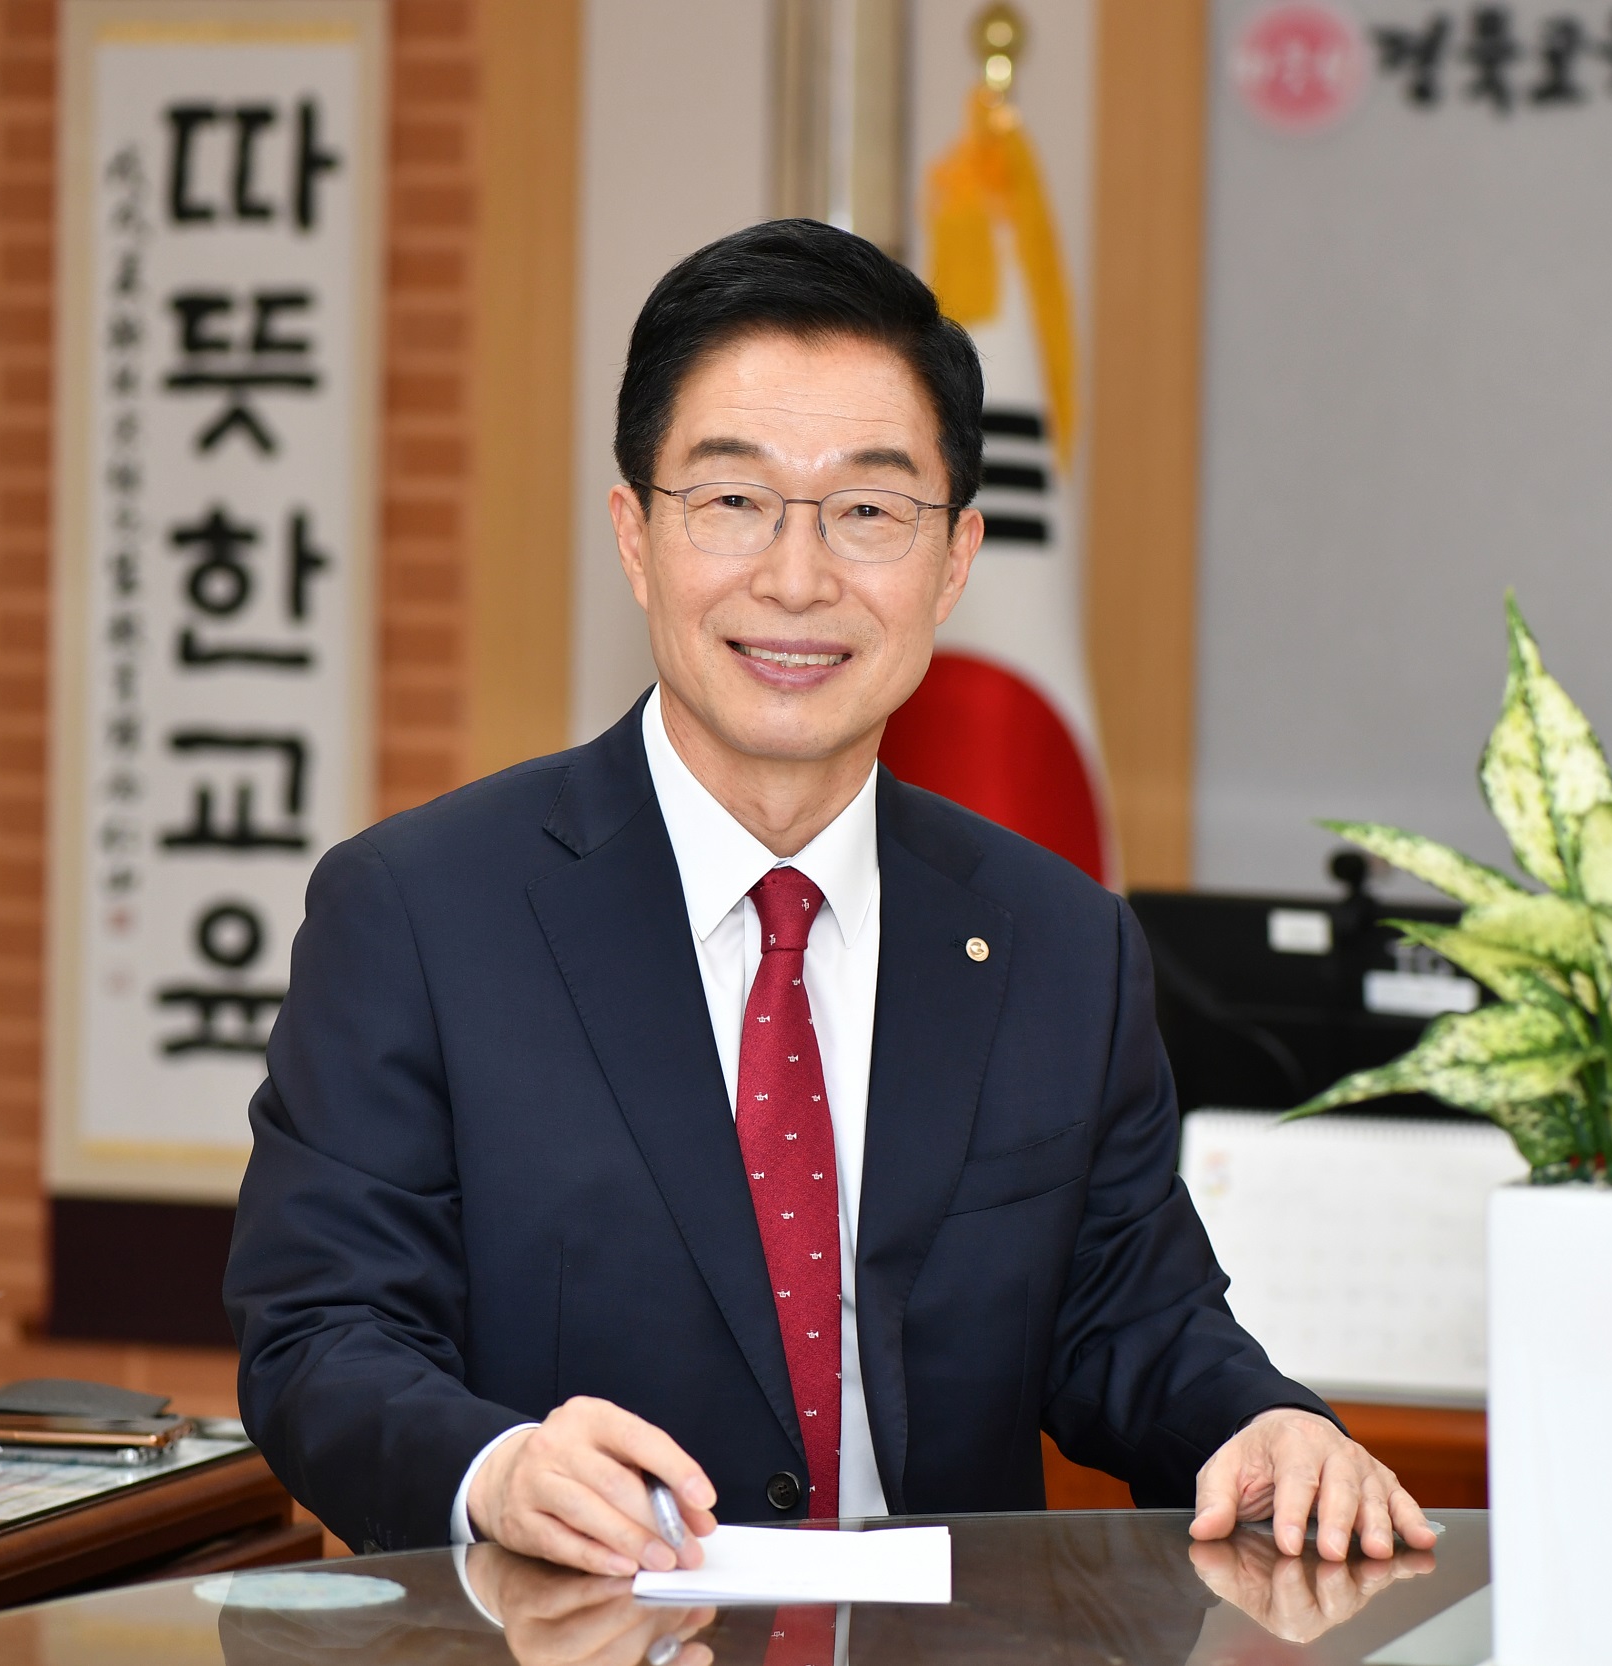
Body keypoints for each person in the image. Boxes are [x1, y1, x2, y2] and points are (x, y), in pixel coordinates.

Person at [224, 219, 1435, 1576]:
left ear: (955, 559)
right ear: (635, 537)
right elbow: (322, 1335)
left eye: (868, 512)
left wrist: (1268, 1424)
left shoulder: (1059, 943)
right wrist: (495, 1470)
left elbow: (1131, 1318)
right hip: (575, 1635)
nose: (796, 579)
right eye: (733, 501)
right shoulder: (419, 914)